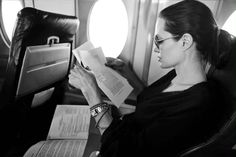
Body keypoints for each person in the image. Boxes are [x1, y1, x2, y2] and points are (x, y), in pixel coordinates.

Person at [69, 0, 233, 156]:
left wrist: (93, 95)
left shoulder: (199, 103)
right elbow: (154, 104)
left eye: (159, 41)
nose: (155, 49)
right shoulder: (176, 74)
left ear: (185, 42)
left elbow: (127, 153)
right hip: (121, 133)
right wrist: (128, 73)